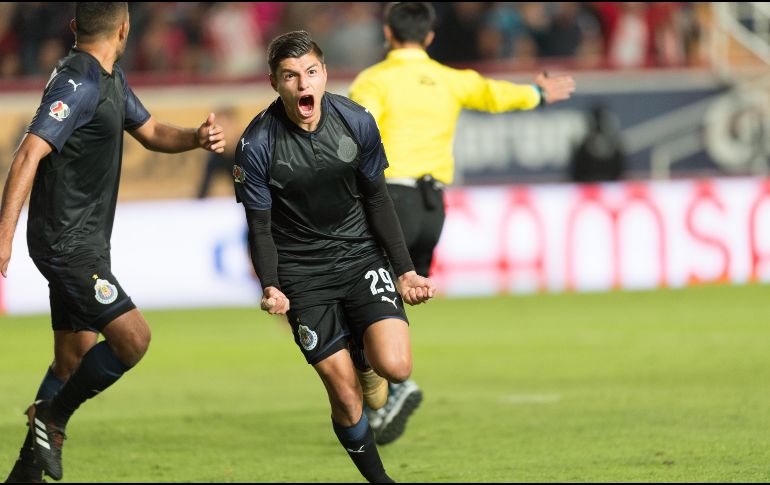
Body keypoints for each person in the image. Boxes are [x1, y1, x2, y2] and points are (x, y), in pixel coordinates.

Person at [0, 3, 225, 482]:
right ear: (125, 28)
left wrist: (196, 137)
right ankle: (51, 418)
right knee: (133, 339)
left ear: (75, 26)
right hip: (66, 244)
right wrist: (3, 237)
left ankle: (25, 474)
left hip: (85, 242)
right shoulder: (77, 83)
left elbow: (152, 131)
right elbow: (27, 155)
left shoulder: (109, 78)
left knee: (72, 358)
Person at [349, 1, 576, 445]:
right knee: (392, 298)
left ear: (388, 33)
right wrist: (538, 93)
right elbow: (494, 94)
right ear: (430, 36)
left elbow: (358, 130)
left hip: (390, 201)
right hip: (433, 208)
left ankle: (394, 384)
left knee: (365, 299)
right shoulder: (450, 79)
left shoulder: (373, 80)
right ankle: (386, 392)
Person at [234, 30, 435, 483]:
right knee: (346, 396)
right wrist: (271, 284)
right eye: (290, 76)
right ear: (274, 82)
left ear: (324, 74)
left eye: (310, 72)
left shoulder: (356, 121)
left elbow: (378, 199)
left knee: (396, 367)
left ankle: (363, 357)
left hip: (361, 257)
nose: (303, 83)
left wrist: (405, 270)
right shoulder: (257, 144)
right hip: (303, 274)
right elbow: (259, 227)